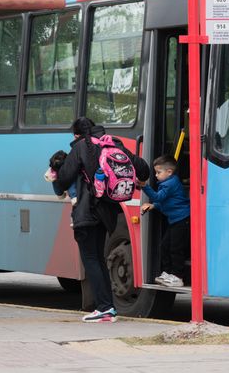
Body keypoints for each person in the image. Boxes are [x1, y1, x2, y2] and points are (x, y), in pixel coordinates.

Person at [53, 117, 150, 323]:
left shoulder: (80, 147)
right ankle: (108, 307)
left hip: (86, 213)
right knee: (98, 258)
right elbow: (143, 169)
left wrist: (56, 169)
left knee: (91, 259)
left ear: (77, 134)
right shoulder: (113, 143)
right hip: (108, 214)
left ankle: (105, 308)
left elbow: (63, 181)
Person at [140, 155, 190, 287]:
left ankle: (178, 276)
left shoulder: (169, 184)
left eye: (158, 172)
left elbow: (158, 197)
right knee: (164, 246)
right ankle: (168, 273)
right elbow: (167, 201)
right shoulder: (169, 182)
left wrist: (144, 186)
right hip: (175, 220)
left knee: (175, 249)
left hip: (181, 219)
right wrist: (153, 206)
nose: (156, 175)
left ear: (169, 172)